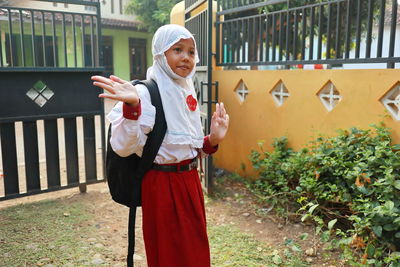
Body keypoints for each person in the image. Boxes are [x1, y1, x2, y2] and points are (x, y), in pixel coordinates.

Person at [91, 24, 229, 267]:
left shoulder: (186, 91)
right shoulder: (145, 93)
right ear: (160, 54)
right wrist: (133, 107)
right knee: (168, 253)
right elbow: (123, 147)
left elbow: (187, 150)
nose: (186, 57)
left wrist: (213, 139)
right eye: (177, 49)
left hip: (190, 184)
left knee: (195, 250)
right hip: (161, 186)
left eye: (191, 51)